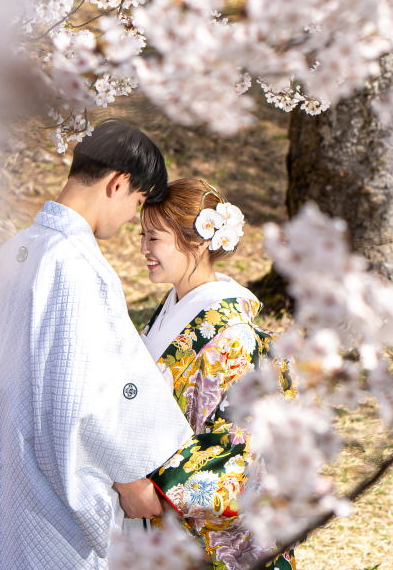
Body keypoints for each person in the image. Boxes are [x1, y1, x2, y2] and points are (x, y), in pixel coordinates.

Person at [0, 120, 192, 570]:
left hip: (23, 472)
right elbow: (78, 394)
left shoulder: (16, 250)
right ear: (119, 183)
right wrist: (132, 477)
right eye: (137, 204)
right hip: (61, 487)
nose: (132, 219)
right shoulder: (74, 264)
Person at [139, 178, 296, 570]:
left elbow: (236, 454)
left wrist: (155, 487)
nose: (143, 249)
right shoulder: (176, 309)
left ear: (197, 241)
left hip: (199, 527)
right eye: (141, 235)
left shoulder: (232, 337)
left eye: (154, 238)